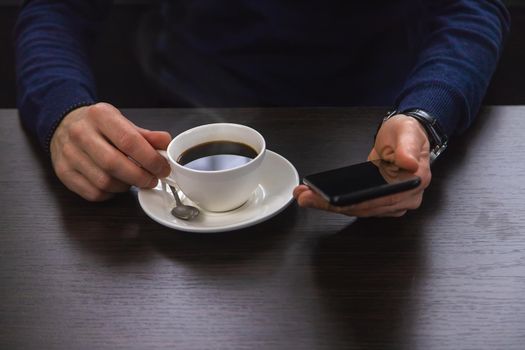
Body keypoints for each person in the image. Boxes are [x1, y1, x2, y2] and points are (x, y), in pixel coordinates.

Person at [15, 1, 510, 217]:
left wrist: (424, 116)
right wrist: (64, 111)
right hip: (174, 137)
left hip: (374, 132)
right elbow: (56, 8)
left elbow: (471, 7)